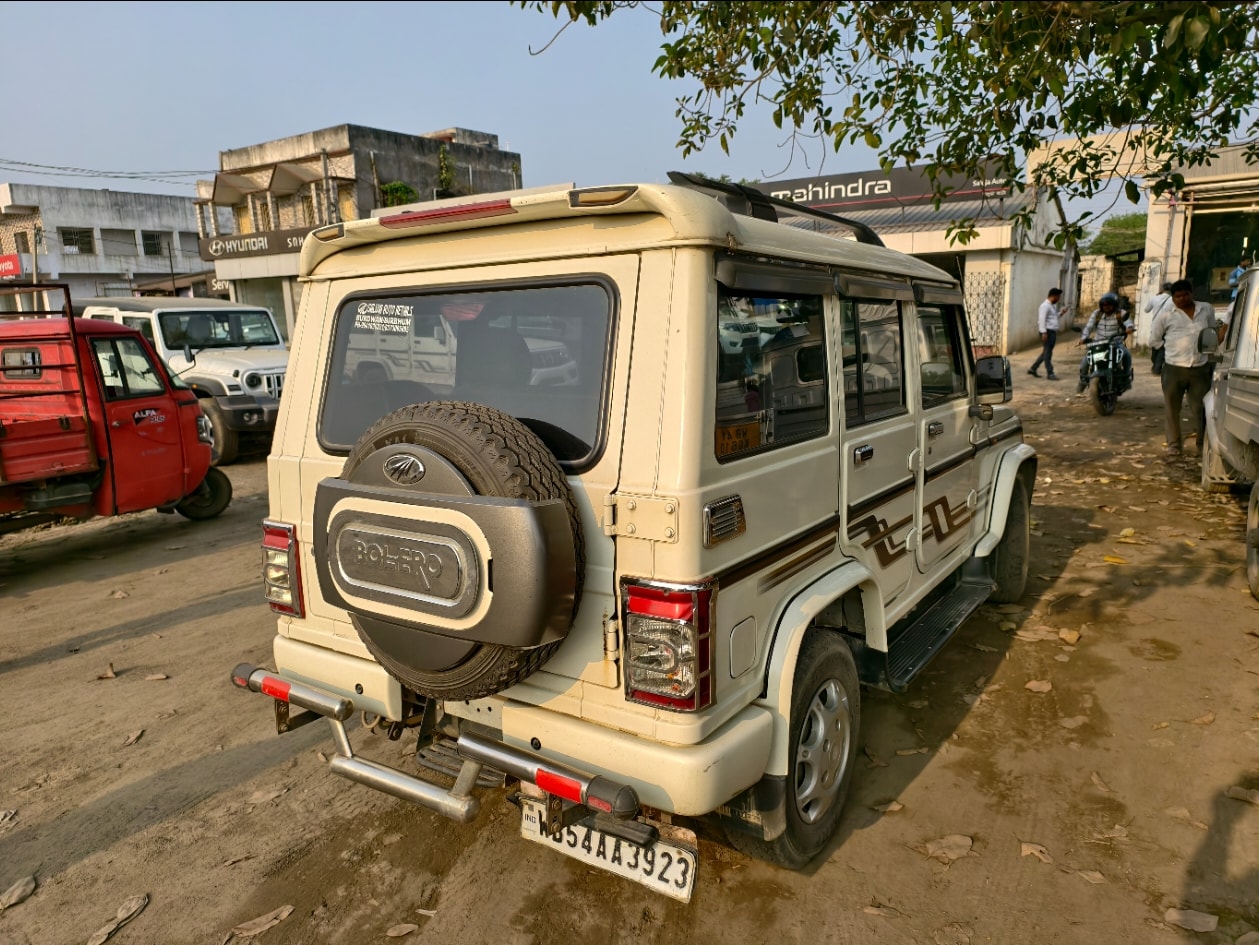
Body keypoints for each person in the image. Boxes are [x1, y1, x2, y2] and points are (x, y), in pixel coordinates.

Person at [1147, 279, 1225, 459]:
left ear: (1192, 293)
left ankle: (1202, 445)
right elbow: (1155, 340)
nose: (1182, 299)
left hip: (1200, 367)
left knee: (1201, 408)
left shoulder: (1206, 308)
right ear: (1173, 298)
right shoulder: (1165, 315)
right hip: (1174, 368)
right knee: (1172, 409)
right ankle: (1174, 445)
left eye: (1185, 295)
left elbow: (1211, 332)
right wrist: (1173, 348)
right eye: (1178, 296)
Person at [1075, 292, 1134, 393]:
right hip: (1099, 343)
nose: (1106, 307)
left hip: (1115, 342)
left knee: (1127, 355)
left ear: (1114, 305)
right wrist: (1084, 337)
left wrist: (1129, 328)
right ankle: (1083, 381)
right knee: (1085, 361)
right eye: (1104, 305)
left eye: (1109, 305)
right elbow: (1089, 326)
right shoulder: (1097, 314)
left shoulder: (1121, 313)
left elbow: (1129, 323)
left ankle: (1126, 378)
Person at [1028, 287, 1062, 380]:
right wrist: (1044, 333)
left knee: (1046, 352)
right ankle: (1050, 373)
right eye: (1058, 297)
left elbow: (1053, 317)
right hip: (1047, 332)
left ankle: (1033, 368)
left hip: (1051, 332)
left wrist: (1061, 313)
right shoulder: (1045, 306)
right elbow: (1042, 320)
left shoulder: (1051, 306)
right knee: (1048, 353)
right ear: (1053, 296)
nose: (1059, 299)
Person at [1145, 281, 1173, 374]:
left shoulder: (1155, 298)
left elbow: (1146, 310)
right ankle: (1157, 367)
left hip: (1155, 326)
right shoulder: (1173, 300)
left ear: (1163, 289)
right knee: (1163, 347)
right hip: (1167, 326)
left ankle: (1155, 365)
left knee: (1155, 345)